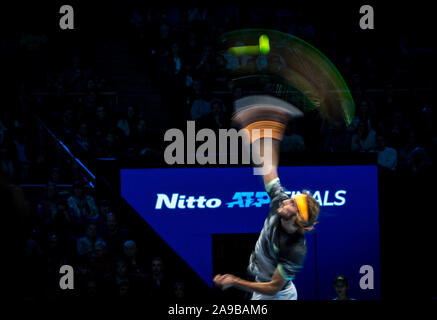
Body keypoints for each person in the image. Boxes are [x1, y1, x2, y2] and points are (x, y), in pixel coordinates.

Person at [213, 126, 320, 300]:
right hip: (261, 284)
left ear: (298, 217)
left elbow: (272, 288)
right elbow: (269, 170)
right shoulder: (279, 201)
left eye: (292, 203)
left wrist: (234, 281)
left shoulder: (295, 249)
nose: (286, 200)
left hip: (278, 295)